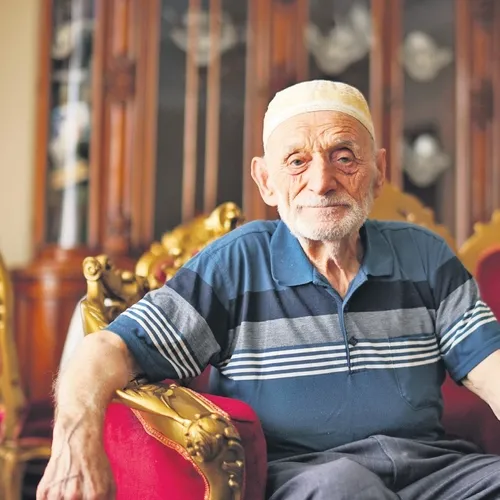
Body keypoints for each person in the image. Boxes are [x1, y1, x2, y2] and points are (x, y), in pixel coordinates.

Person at [37, 80, 500, 500]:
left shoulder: (424, 254)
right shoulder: (235, 263)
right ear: (266, 181)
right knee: (345, 487)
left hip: (434, 471)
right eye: (297, 162)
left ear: (378, 170)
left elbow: (490, 367)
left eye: (344, 157)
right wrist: (73, 443)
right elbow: (106, 350)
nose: (322, 182)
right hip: (308, 477)